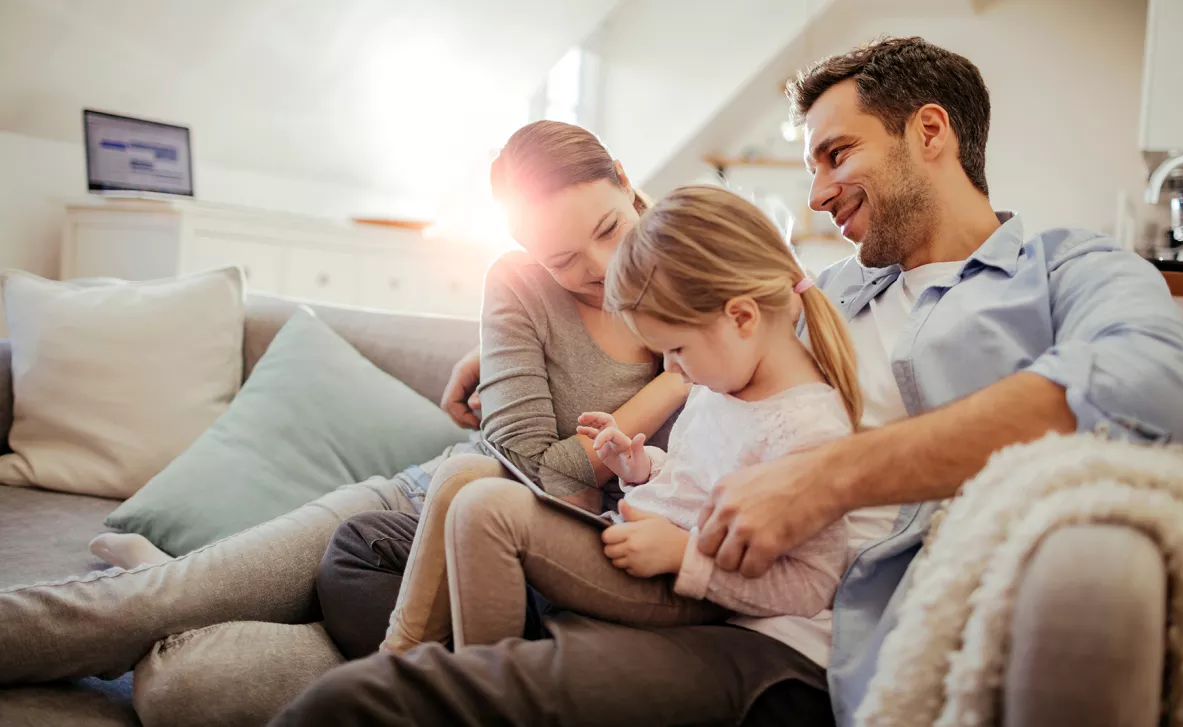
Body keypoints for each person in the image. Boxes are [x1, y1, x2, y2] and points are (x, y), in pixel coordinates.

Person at [272, 36, 1183, 727]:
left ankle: (521, 648)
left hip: (783, 616)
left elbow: (1148, 381)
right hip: (665, 522)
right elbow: (698, 345)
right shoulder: (824, 291)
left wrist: (831, 478)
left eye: (836, 154)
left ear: (931, 133)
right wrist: (513, 346)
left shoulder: (1064, 270)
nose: (819, 194)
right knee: (362, 550)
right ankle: (527, 630)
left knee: (366, 698)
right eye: (812, 167)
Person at [0, 121, 691, 694]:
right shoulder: (521, 284)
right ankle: (172, 582)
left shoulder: (703, 280)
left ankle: (175, 578)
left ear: (627, 181)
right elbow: (532, 470)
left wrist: (678, 370)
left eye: (607, 228)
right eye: (563, 258)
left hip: (528, 587)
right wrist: (671, 384)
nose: (599, 269)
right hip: (411, 513)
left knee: (193, 693)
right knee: (153, 604)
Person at [394, 185, 859, 655]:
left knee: (486, 510)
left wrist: (685, 556)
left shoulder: (807, 429)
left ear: (741, 318)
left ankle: (470, 689)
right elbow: (695, 479)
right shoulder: (720, 386)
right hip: (637, 541)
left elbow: (811, 585)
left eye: (677, 349)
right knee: (460, 499)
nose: (671, 370)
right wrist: (641, 468)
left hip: (685, 587)